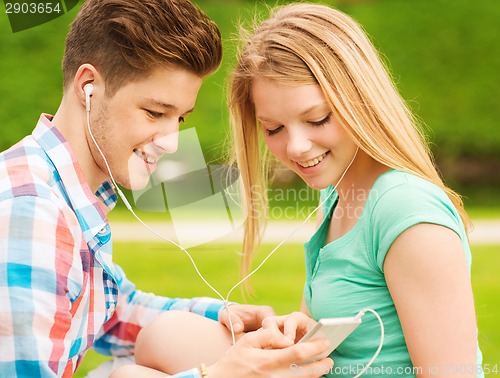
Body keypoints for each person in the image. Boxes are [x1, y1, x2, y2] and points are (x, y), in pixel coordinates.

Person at [0, 0, 334, 377]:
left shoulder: (67, 193)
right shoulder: (31, 211)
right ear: (88, 87)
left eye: (180, 117)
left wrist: (226, 316)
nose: (172, 143)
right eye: (155, 113)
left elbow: (110, 310)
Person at [224, 2, 483, 377]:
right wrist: (298, 331)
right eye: (273, 128)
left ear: (360, 99)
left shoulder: (405, 210)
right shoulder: (336, 194)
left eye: (317, 119)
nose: (295, 146)